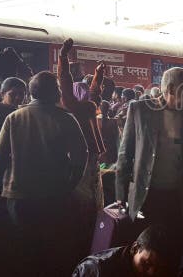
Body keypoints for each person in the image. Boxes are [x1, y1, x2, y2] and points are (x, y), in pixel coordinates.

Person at [0, 71, 88, 276]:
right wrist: (70, 184)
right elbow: (81, 156)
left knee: (23, 249)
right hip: (54, 195)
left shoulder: (14, 117)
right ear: (54, 92)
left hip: (18, 196)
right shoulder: (65, 118)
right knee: (52, 249)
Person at [116, 67, 183, 276]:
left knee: (174, 249)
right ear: (169, 88)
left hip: (179, 197)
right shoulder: (139, 109)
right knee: (143, 251)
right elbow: (125, 154)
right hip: (145, 197)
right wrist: (121, 197)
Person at [58, 39, 107, 257]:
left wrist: (63, 58)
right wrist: (98, 74)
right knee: (94, 201)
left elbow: (68, 83)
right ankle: (94, 241)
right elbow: (93, 90)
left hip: (82, 160)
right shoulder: (88, 106)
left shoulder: (77, 107)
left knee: (83, 202)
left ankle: (83, 244)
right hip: (93, 159)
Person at [73, 225, 173, 277]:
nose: (151, 273)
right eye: (146, 264)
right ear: (135, 248)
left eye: (157, 268)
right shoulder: (96, 270)